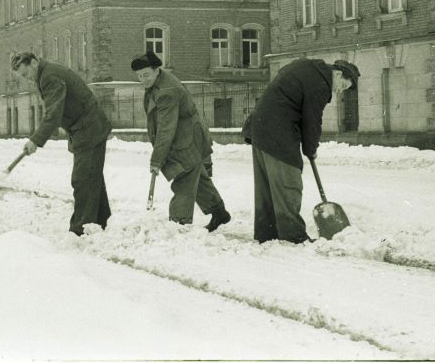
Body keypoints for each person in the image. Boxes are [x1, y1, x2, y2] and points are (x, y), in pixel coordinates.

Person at [242, 58, 360, 244]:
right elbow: (312, 120)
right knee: (288, 182)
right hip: (278, 131)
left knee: (267, 186)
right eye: (343, 85)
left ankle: (267, 234)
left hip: (259, 128)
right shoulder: (321, 83)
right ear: (337, 74)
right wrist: (311, 148)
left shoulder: (306, 66)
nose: (340, 91)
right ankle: (293, 236)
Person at [12, 52, 112, 236]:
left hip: (88, 129)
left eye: (26, 74)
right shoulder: (47, 72)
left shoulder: (49, 76)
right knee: (92, 175)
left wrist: (36, 139)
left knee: (82, 178)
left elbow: (53, 113)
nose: (27, 79)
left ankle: (81, 230)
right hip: (87, 127)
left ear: (33, 63)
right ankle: (100, 221)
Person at [131, 51, 231, 232]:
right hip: (184, 137)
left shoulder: (167, 91)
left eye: (146, 75)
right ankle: (219, 212)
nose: (143, 79)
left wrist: (156, 160)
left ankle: (178, 225)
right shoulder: (158, 83)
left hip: (187, 141)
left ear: (156, 71)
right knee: (198, 178)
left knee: (184, 180)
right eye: (139, 76)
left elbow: (165, 129)